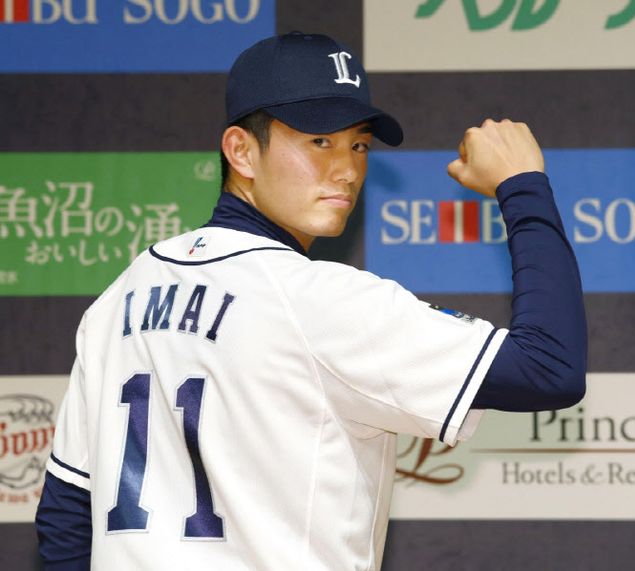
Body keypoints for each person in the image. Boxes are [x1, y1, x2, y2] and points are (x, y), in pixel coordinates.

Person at [35, 32, 587, 570]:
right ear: (241, 151)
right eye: (319, 141)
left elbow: (66, 520)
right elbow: (549, 368)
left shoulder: (121, 296)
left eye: (358, 145)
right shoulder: (318, 300)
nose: (347, 170)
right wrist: (523, 186)